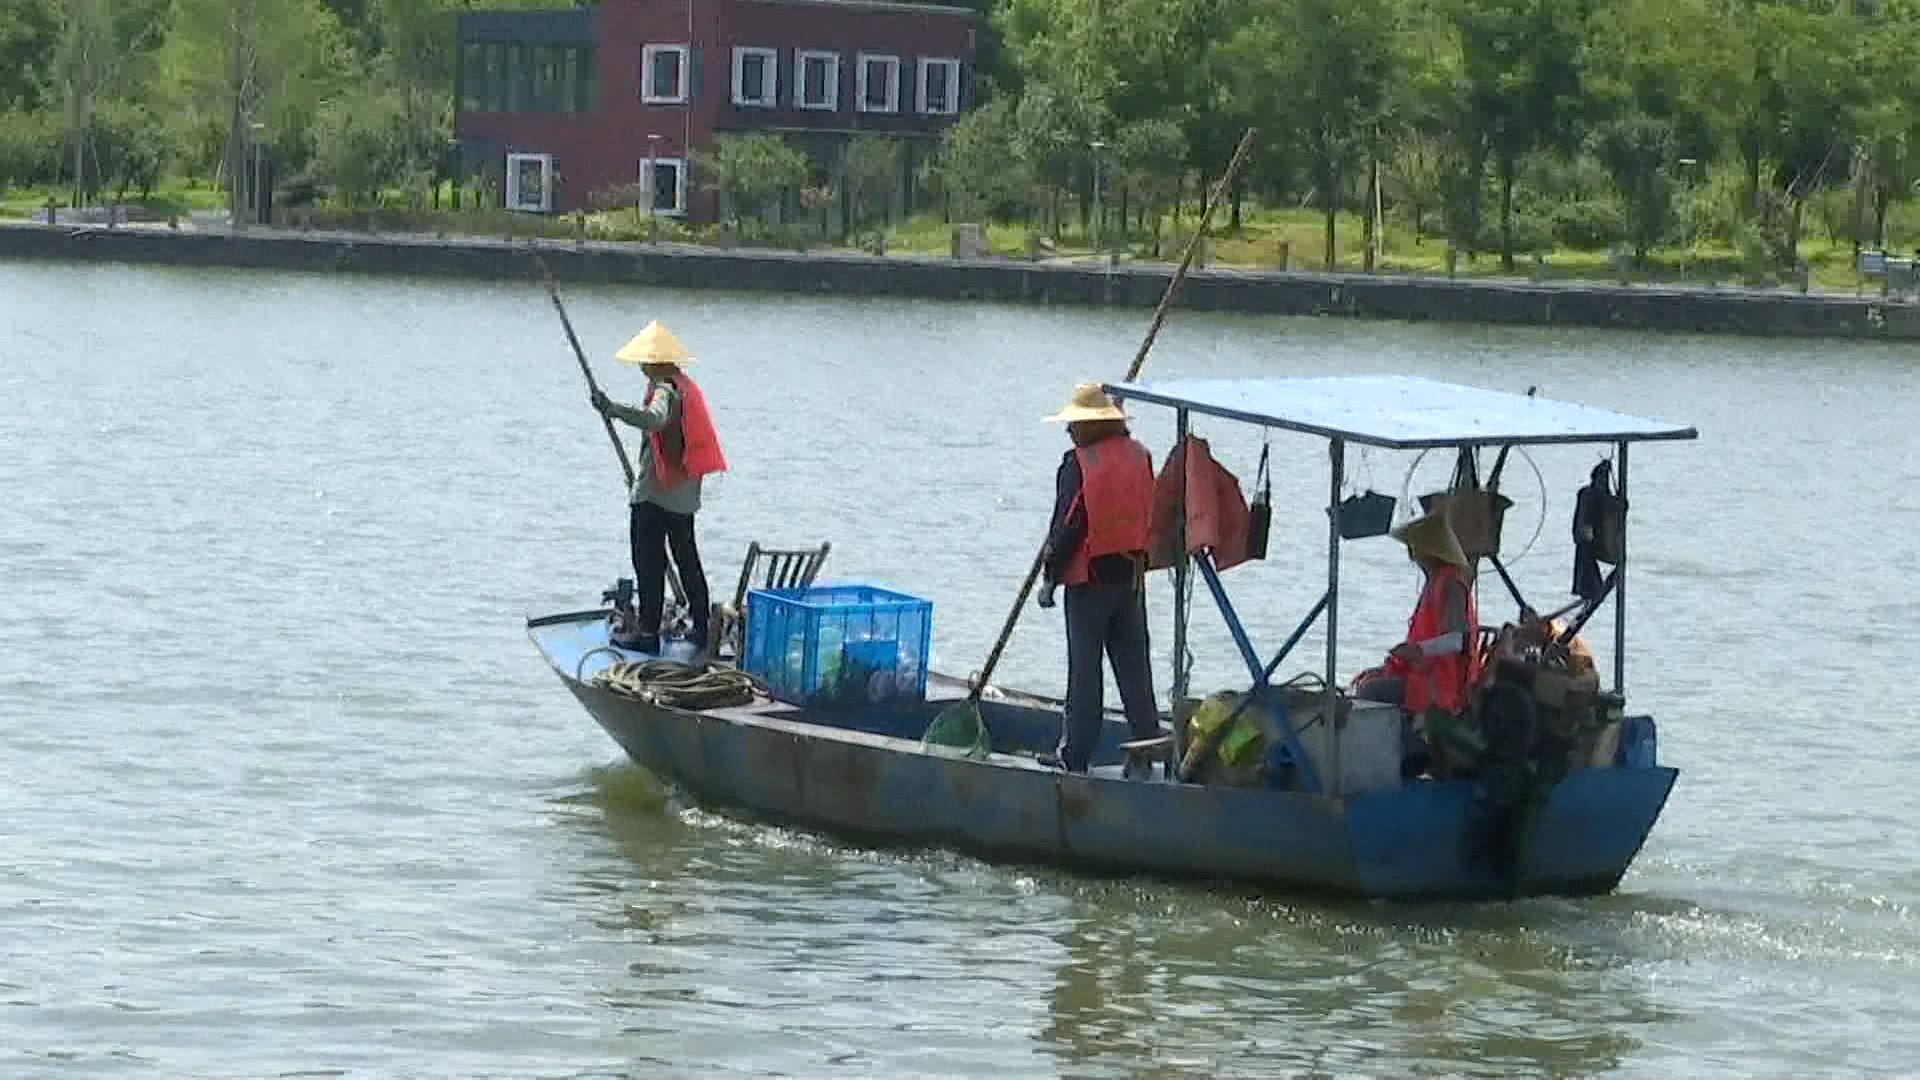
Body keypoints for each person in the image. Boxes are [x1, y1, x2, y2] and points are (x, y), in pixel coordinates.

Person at [1036, 383, 1160, 775]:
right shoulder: (1140, 456)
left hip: (1089, 580)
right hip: (1132, 577)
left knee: (1085, 672)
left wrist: (1050, 577)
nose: (1070, 430)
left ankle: (1074, 757)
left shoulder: (1079, 463)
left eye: (1075, 423)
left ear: (1093, 426)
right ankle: (1146, 752)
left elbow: (1069, 525)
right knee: (1135, 669)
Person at [591, 320, 727, 655]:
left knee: (648, 561)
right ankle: (700, 625)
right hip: (683, 494)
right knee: (687, 558)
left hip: (656, 494)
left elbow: (654, 419)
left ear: (654, 363)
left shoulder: (665, 389)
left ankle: (648, 632)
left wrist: (613, 409)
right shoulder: (686, 387)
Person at [1356, 510, 1481, 717]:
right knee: (1367, 679)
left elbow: (1457, 641)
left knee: (1371, 692)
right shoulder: (1434, 581)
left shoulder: (1450, 584)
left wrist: (1418, 650)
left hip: (1439, 682)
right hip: (1419, 672)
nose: (1412, 554)